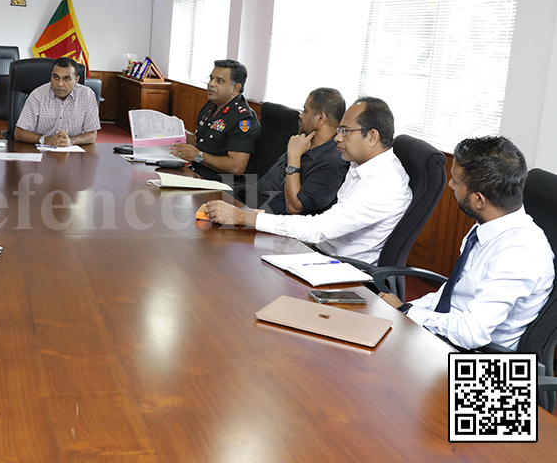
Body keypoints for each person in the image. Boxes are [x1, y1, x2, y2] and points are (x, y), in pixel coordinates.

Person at [380, 136, 554, 351]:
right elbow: (453, 295)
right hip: (446, 339)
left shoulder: (520, 253)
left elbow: (471, 334)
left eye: (457, 181)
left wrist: (407, 311)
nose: (451, 184)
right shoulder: (487, 225)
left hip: (487, 368)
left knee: (373, 375)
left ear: (479, 200)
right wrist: (403, 309)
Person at [205, 97, 411, 264]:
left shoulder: (384, 184)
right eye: (339, 130)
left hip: (340, 268)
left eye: (345, 131)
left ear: (372, 137)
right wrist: (250, 215)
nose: (337, 138)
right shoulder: (361, 165)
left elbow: (320, 229)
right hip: (317, 251)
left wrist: (244, 217)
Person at [239, 87, 348, 214]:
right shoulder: (304, 140)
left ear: (321, 119)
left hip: (269, 222)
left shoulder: (332, 163)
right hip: (250, 203)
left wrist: (294, 156)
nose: (300, 115)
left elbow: (295, 208)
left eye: (305, 111)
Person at [169, 59, 260, 185]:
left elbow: (236, 167)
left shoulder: (243, 119)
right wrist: (178, 129)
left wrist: (198, 156)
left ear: (236, 88)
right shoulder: (211, 106)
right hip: (197, 173)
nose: (211, 84)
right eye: (211, 78)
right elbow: (199, 141)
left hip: (219, 184)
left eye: (219, 81)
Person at [14, 57, 100, 146]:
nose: (60, 84)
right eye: (56, 77)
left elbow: (92, 134)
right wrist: (46, 139)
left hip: (74, 153)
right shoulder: (38, 95)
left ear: (76, 80)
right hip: (41, 153)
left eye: (66, 79)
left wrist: (70, 141)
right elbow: (19, 133)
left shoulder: (87, 95)